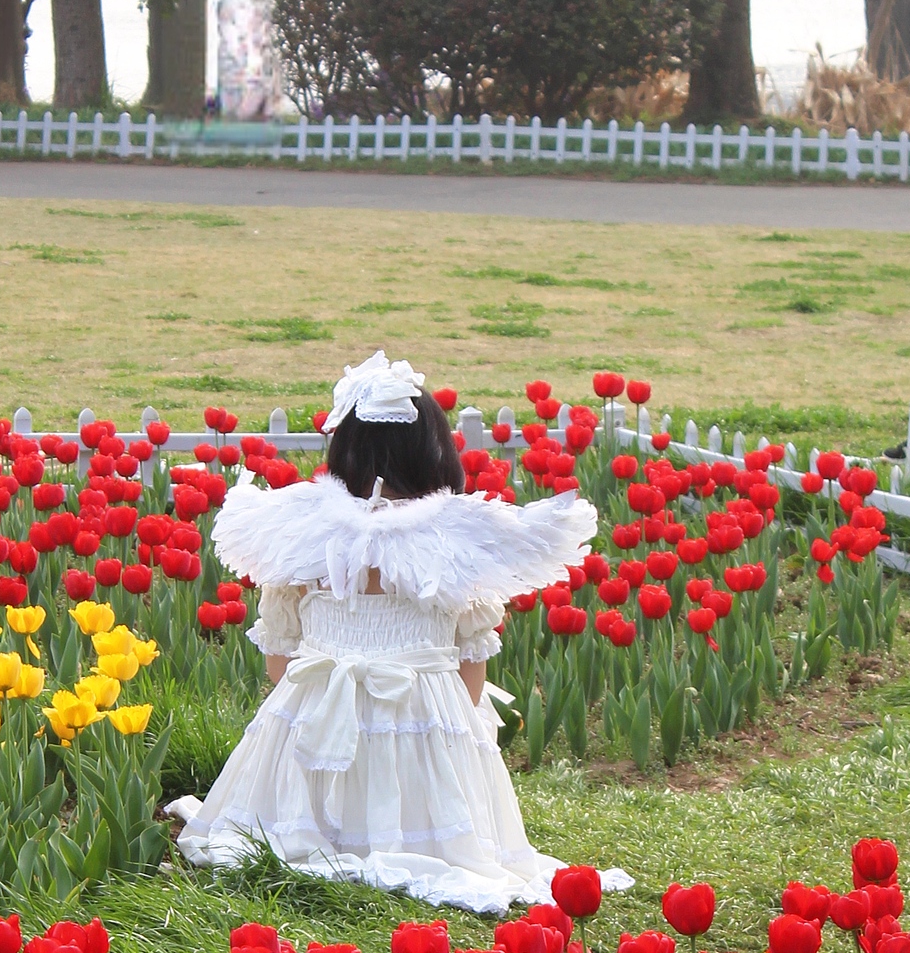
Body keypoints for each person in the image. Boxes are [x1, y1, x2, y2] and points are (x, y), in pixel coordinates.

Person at [168, 350, 633, 914]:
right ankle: (421, 834)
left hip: (313, 722)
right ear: (434, 455)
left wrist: (331, 699)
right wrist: (438, 727)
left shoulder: (304, 538)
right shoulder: (454, 548)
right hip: (424, 719)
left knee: (307, 741)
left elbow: (278, 666)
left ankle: (319, 826)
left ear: (341, 450)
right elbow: (470, 679)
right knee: (436, 748)